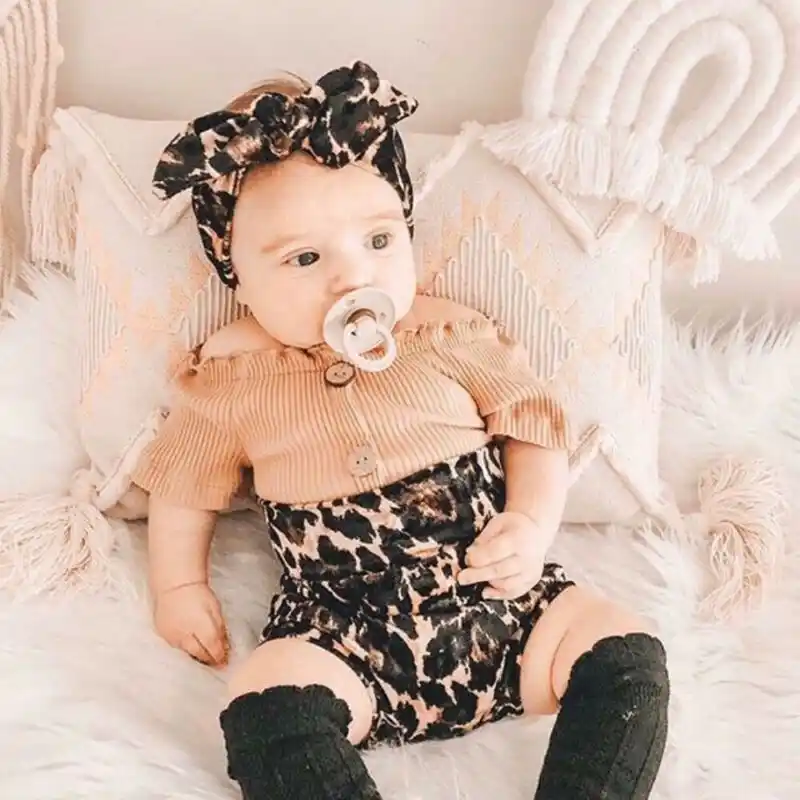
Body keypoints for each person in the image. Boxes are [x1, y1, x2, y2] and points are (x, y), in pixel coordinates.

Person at [132, 60, 670, 800]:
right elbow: (183, 488)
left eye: (380, 242)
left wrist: (530, 521)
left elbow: (533, 427)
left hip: (500, 603)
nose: (352, 277)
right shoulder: (231, 377)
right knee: (265, 705)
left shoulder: (447, 332)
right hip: (342, 631)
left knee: (625, 656)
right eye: (305, 258)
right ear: (234, 270)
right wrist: (180, 585)